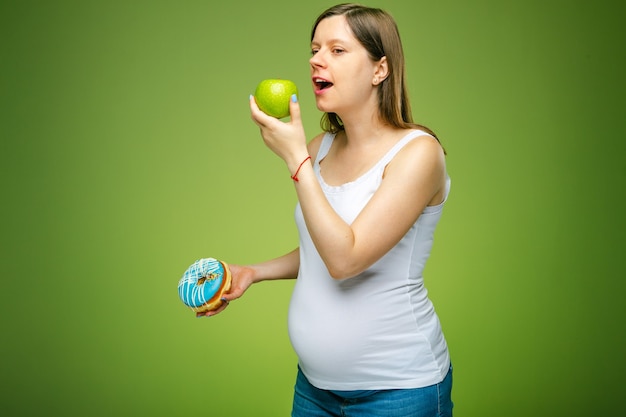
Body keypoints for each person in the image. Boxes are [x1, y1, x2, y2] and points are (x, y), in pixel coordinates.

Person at [200, 3, 453, 416]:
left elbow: (346, 258)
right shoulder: (321, 150)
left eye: (337, 50)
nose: (317, 59)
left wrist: (295, 161)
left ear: (379, 69)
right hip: (315, 390)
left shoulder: (417, 155)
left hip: (399, 393)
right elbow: (322, 244)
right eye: (315, 49)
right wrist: (255, 272)